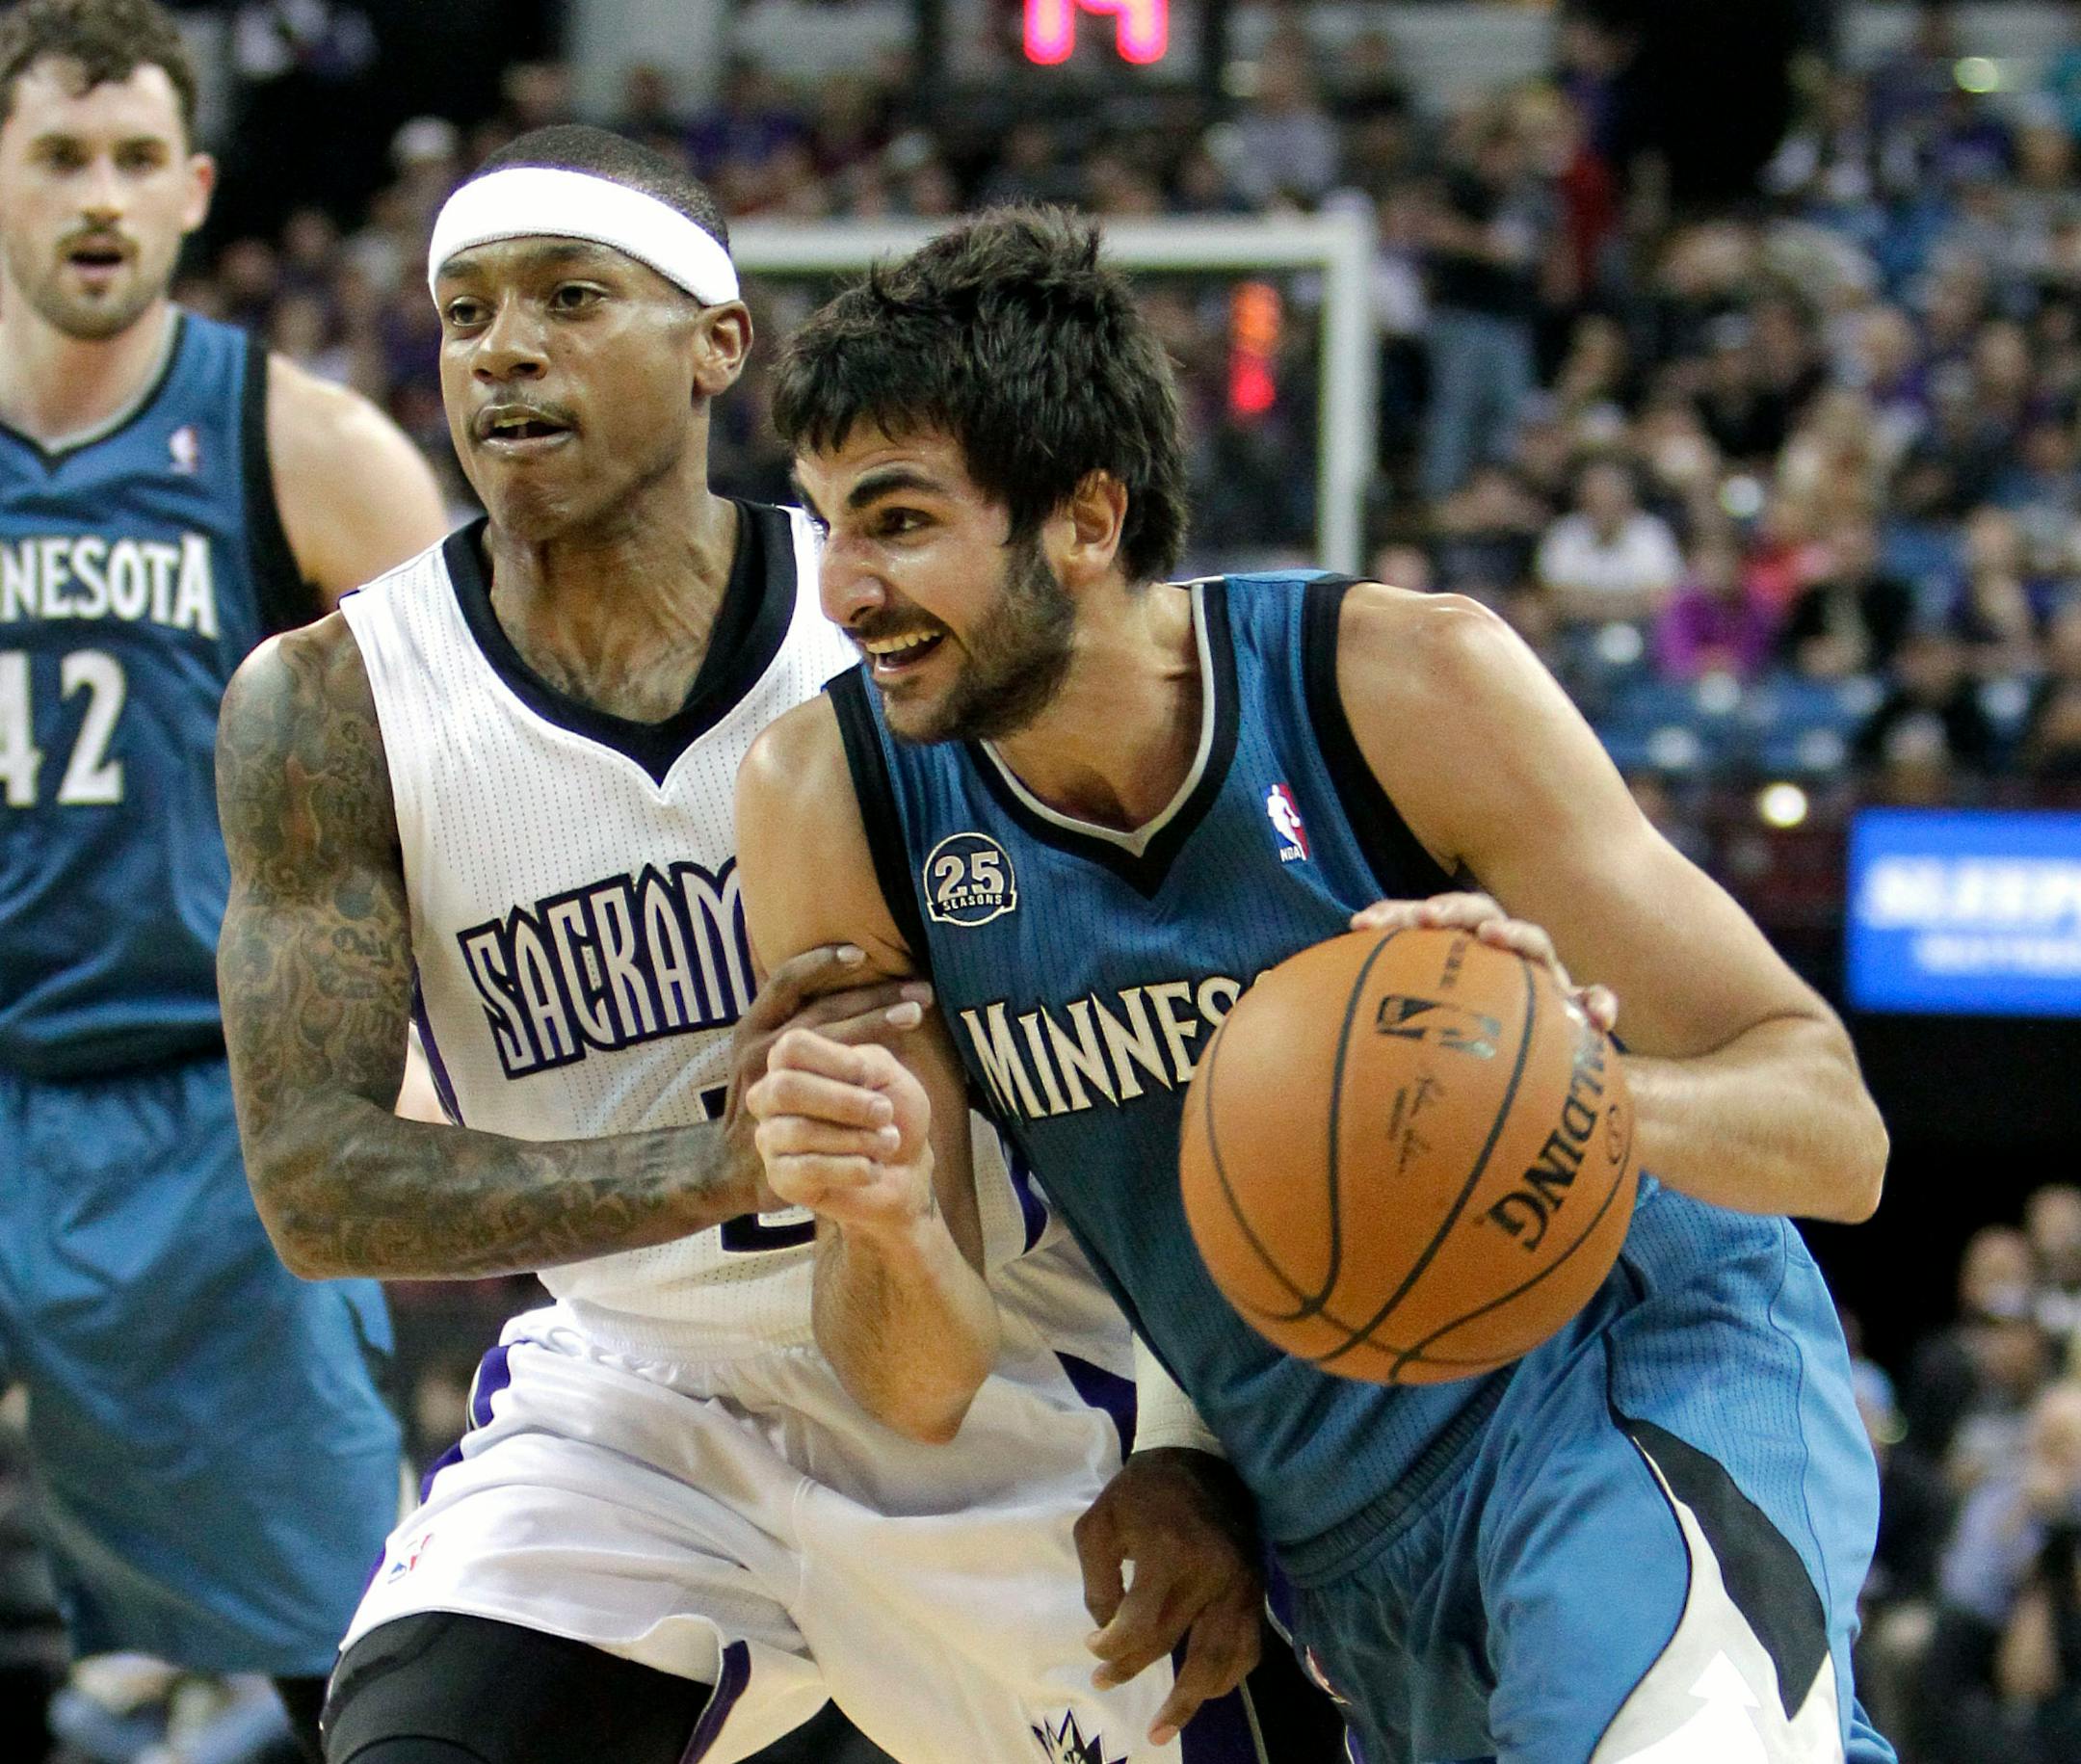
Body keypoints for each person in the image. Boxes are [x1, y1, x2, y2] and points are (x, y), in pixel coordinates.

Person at [213, 129, 1330, 1764]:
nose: (504, 349)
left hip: (1016, 1372)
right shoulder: (332, 707)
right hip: (641, 1404)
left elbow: (1178, 1023)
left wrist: (1193, 1438)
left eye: (570, 298)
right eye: (464, 314)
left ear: (718, 346)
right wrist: (729, 1166)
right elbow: (315, 1183)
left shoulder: (908, 620)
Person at [737, 207, 1899, 1764]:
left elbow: (1835, 1131)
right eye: (826, 524)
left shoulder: (1399, 686)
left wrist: (1561, 1095)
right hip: (1342, 1542)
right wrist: (885, 1221)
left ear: (1086, 518)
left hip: (1624, 1391)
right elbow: (917, 1389)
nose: (842, 589)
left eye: (895, 520)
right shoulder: (835, 800)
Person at [0, 0, 448, 1751]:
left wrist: (429, 1040)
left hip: (210, 1110)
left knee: (354, 1654)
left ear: (192, 191)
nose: (98, 196)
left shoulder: (301, 447)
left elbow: (485, 756)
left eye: (134, 159)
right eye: (59, 156)